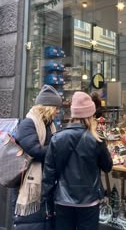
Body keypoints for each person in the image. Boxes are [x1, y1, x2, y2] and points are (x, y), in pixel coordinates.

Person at [42, 91, 113, 230]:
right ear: (90, 115)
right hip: (89, 201)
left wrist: (48, 204)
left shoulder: (57, 138)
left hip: (63, 201)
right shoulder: (97, 139)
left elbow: (48, 176)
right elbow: (107, 166)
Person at [13, 84, 62, 230]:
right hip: (29, 180)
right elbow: (35, 150)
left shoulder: (49, 125)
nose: (57, 112)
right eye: (56, 108)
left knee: (44, 218)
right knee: (31, 221)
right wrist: (58, 148)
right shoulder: (28, 124)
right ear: (48, 107)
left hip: (45, 180)